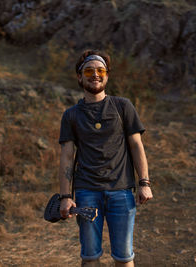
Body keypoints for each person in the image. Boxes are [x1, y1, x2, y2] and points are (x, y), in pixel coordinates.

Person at [58, 49, 153, 267]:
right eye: (89, 70)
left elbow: (137, 146)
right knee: (90, 256)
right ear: (79, 77)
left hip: (121, 191)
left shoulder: (123, 106)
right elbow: (66, 157)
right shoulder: (71, 115)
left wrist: (144, 183)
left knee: (124, 256)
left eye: (100, 70)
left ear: (107, 75)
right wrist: (65, 195)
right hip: (86, 193)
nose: (95, 75)